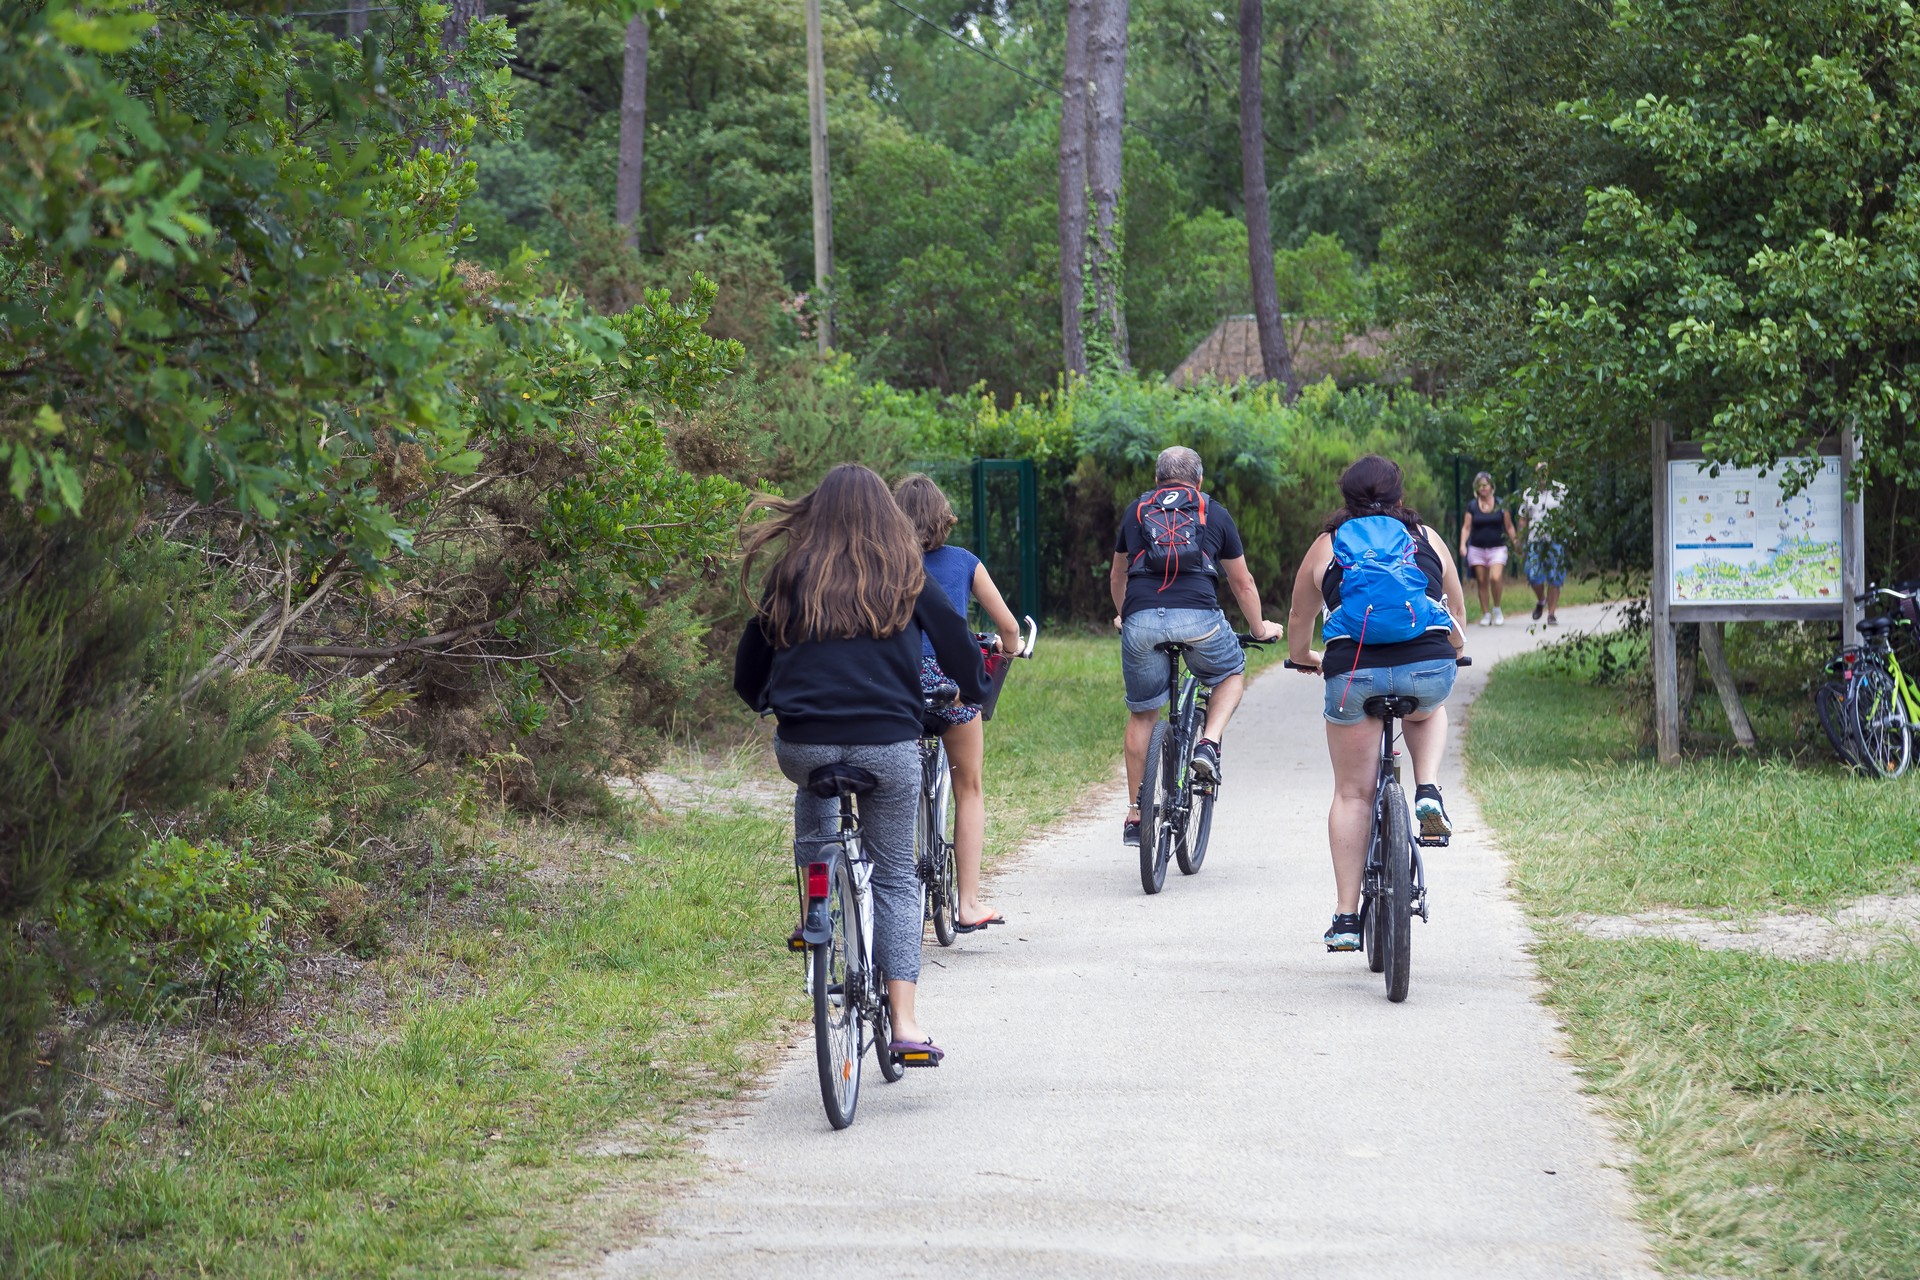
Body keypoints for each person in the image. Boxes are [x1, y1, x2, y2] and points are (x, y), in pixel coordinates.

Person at [733, 463, 988, 1064]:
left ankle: (812, 910)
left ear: (816, 514)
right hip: (888, 744)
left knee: (813, 784)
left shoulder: (791, 573)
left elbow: (749, 664)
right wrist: (970, 685)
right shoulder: (905, 573)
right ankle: (903, 1023)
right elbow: (955, 643)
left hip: (804, 745)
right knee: (897, 878)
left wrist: (767, 704)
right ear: (885, 516)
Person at [1288, 455, 1466, 952]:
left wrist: (1304, 657)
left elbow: (1300, 617)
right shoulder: (1427, 538)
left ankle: (1347, 918)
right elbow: (1455, 608)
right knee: (1428, 707)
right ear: (1399, 498)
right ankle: (1427, 789)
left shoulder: (1327, 545)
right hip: (1427, 664)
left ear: (1345, 499)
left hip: (1352, 673)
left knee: (1352, 794)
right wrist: (1453, 651)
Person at [1110, 446, 1284, 846]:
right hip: (1199, 620)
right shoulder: (1212, 511)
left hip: (1140, 620)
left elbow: (1119, 574)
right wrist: (1258, 628)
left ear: (1156, 481)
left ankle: (1136, 815)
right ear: (1199, 481)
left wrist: (1125, 614)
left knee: (1142, 716)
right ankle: (1208, 742)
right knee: (1230, 673)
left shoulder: (1136, 511)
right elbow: (1242, 583)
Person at [892, 473, 1024, 932]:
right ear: (943, 518)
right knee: (969, 786)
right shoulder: (965, 562)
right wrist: (1009, 652)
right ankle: (967, 904)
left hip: (899, 685)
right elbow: (1008, 628)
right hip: (951, 684)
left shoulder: (882, 563)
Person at [1457, 471, 1517, 627]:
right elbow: (1466, 527)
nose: (1483, 488)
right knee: (1482, 581)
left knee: (1495, 578)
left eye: (1485, 485)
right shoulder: (1472, 506)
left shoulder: (1501, 504)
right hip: (1477, 549)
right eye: (1480, 485)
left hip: (1498, 548)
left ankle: (1497, 609)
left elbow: (1509, 526)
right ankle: (1485, 613)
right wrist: (1463, 544)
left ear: (1491, 487)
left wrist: (1516, 542)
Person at [1518, 468, 1569, 625]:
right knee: (1533, 574)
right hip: (1535, 540)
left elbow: (1569, 515)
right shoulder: (1529, 493)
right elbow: (1523, 518)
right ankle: (1542, 600)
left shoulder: (1561, 490)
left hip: (1556, 540)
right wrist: (1519, 539)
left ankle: (1551, 613)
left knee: (1555, 576)